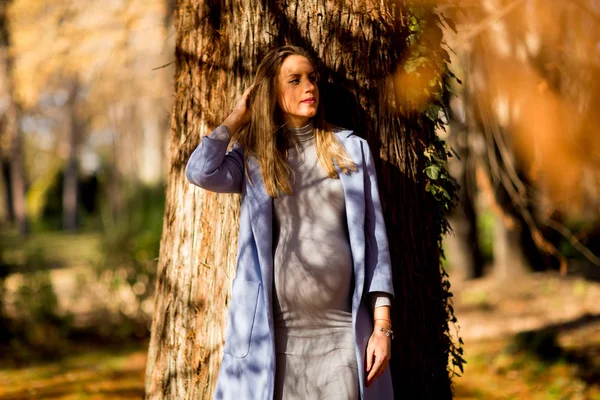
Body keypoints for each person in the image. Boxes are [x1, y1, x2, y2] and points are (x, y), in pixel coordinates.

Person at [185, 45, 395, 400]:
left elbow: (376, 246)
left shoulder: (351, 150)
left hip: (342, 338)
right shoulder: (253, 159)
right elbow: (200, 172)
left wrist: (382, 328)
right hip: (275, 342)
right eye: (294, 80)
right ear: (272, 92)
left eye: (312, 78)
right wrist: (237, 118)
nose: (309, 87)